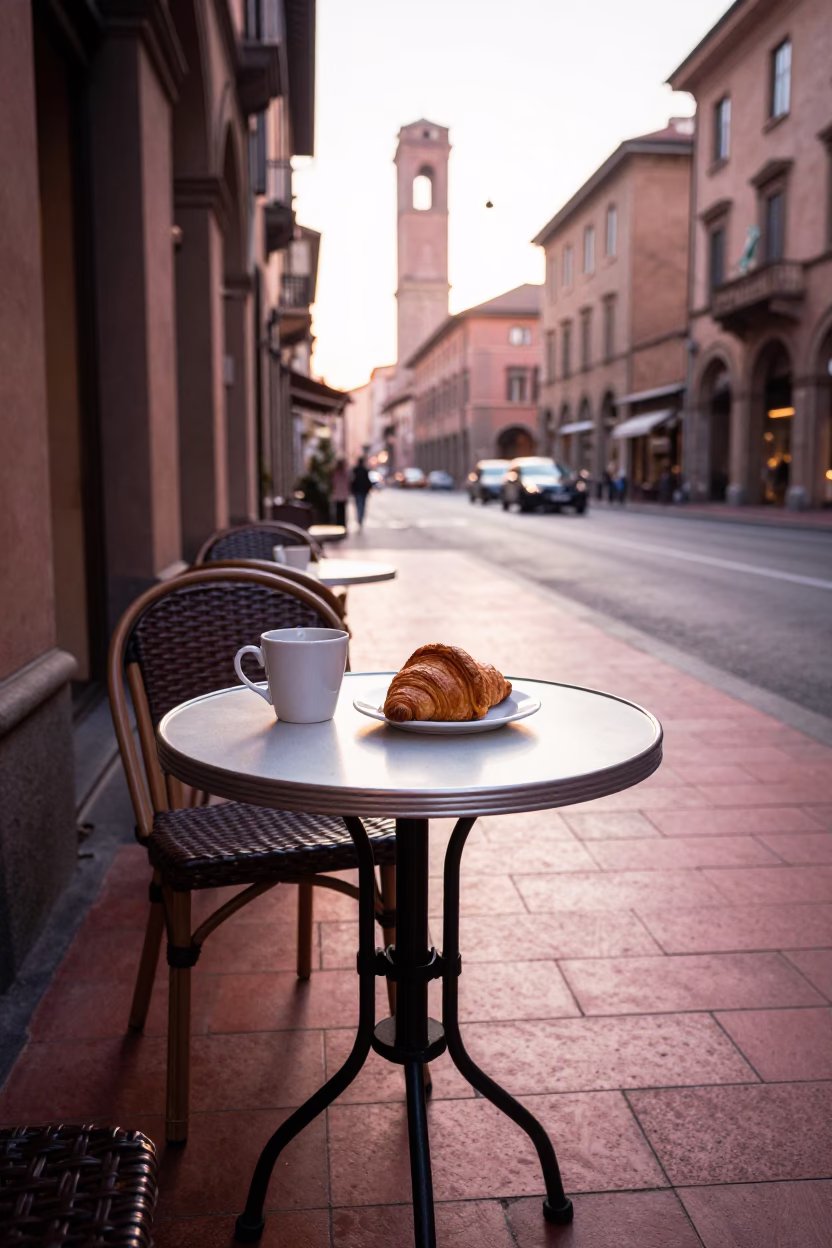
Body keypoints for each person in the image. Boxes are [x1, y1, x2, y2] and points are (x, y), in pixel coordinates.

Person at [350, 455, 372, 530]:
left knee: (358, 505)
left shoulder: (355, 470)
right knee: (362, 505)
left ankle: (359, 519)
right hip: (363, 491)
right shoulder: (365, 470)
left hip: (358, 490)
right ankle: (360, 519)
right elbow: (368, 481)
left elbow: (352, 481)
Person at [331, 458, 350, 527]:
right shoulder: (344, 473)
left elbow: (333, 483)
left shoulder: (336, 473)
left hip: (337, 495)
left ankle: (339, 525)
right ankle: (342, 526)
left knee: (338, 512)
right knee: (342, 512)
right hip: (342, 495)